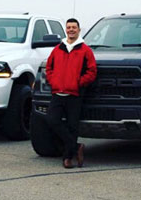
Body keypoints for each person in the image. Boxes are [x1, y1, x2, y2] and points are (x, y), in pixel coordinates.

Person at [44, 18, 97, 168]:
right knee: (52, 120)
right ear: (66, 30)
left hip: (75, 94)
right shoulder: (57, 49)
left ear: (79, 30)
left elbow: (92, 71)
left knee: (72, 126)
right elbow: (49, 68)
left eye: (74, 27)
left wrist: (78, 83)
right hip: (58, 93)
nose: (71, 30)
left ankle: (67, 158)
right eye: (69, 27)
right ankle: (76, 146)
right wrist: (54, 82)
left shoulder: (85, 50)